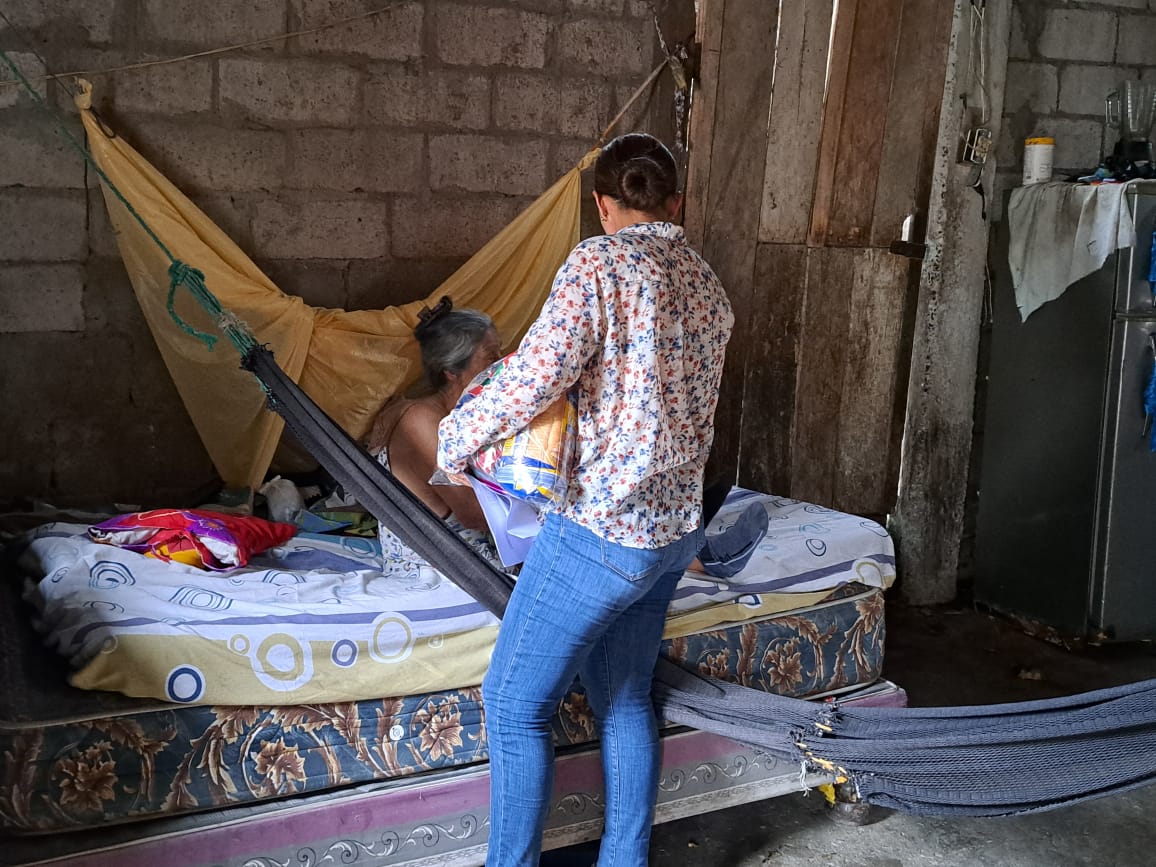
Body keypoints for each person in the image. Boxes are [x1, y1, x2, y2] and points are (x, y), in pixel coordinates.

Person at [436, 133, 735, 866]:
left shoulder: (597, 265)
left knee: (513, 703)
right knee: (625, 698)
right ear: (675, 203)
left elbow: (535, 375)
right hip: (672, 535)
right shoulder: (707, 284)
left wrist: (456, 435)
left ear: (602, 204)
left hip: (603, 531)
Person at [366, 300, 503, 583]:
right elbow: (474, 515)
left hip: (467, 557)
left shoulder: (461, 417)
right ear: (451, 371)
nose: (502, 365)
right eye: (491, 357)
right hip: (440, 569)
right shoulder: (422, 422)